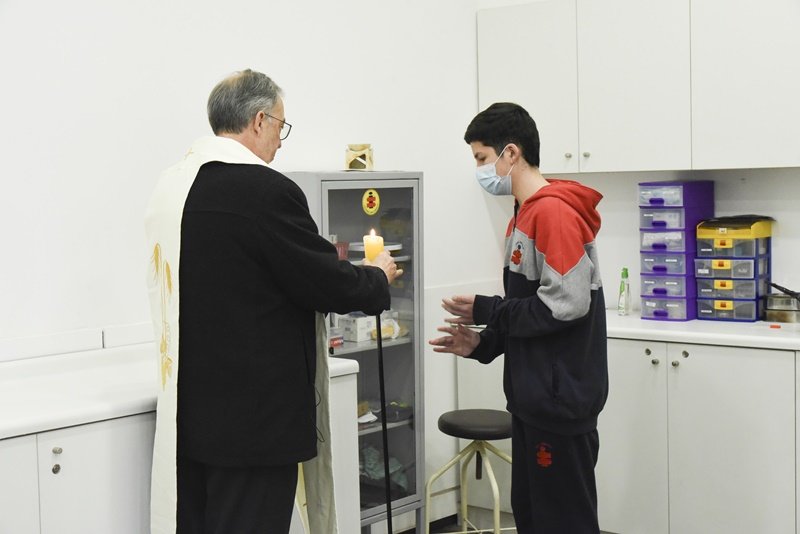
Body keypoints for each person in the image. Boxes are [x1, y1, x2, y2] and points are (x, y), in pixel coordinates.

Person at [144, 69, 401, 534]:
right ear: (259, 120)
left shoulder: (172, 187)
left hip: (190, 413)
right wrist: (376, 277)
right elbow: (322, 280)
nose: (280, 141)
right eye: (280, 126)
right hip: (255, 422)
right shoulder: (265, 190)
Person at [429, 102, 608, 533]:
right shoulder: (522, 215)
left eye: (482, 158)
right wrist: (484, 343)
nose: (479, 170)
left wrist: (488, 309)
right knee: (532, 516)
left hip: (558, 404)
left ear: (511, 153)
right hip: (532, 401)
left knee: (562, 523)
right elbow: (529, 312)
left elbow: (564, 304)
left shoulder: (553, 213)